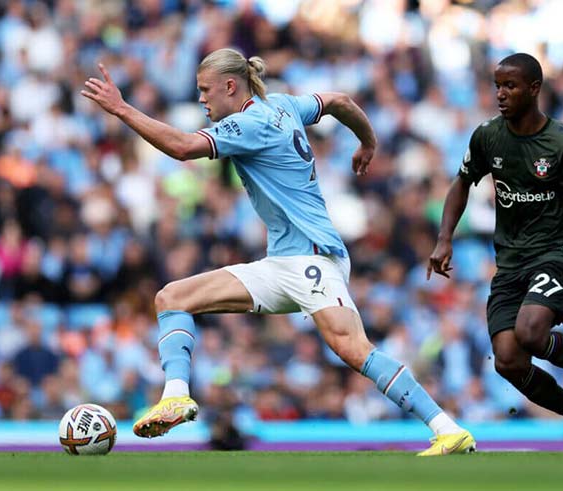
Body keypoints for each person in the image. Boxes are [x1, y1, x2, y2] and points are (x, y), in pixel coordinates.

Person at [81, 48, 474, 456]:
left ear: (231, 86)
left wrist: (122, 109)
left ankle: (447, 428)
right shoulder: (284, 104)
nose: (201, 99)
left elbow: (182, 148)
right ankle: (177, 395)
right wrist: (367, 142)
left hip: (312, 258)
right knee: (172, 298)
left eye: (205, 90)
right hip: (283, 260)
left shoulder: (248, 124)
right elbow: (339, 101)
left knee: (353, 348)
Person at [427, 53, 563, 453]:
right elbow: (461, 182)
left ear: (534, 89)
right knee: (508, 359)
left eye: (510, 86)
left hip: (555, 254)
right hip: (509, 263)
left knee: (529, 333)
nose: (501, 94)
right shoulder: (488, 137)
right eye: (497, 86)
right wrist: (444, 238)